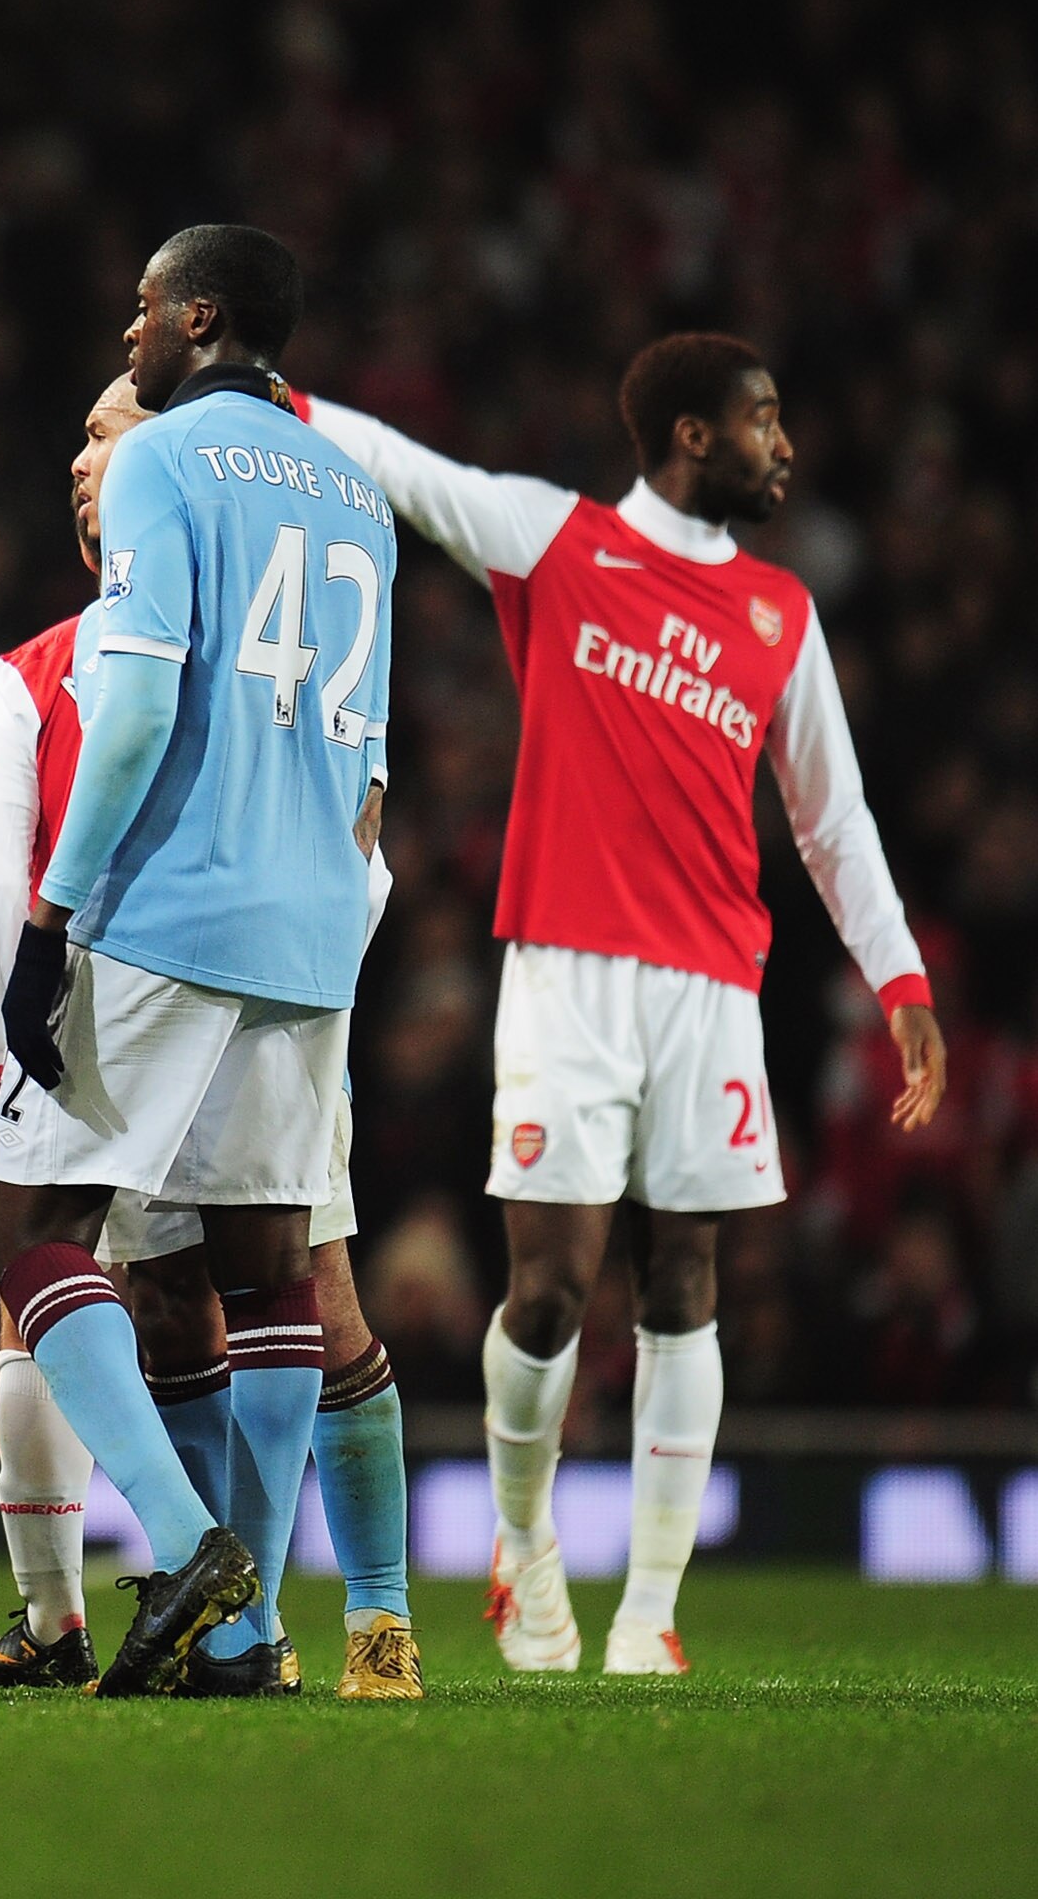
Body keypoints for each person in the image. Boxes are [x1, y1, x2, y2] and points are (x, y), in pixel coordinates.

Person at [309, 337, 943, 1676]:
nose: (785, 444)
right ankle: (524, 1545)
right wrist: (264, 397)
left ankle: (650, 1611)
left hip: (714, 985)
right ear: (692, 436)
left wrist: (902, 981)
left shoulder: (781, 613)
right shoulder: (560, 543)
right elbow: (408, 472)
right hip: (566, 970)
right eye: (764, 420)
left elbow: (834, 823)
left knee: (689, 1281)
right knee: (547, 1288)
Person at [0, 374, 417, 1701]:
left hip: (155, 959)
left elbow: (8, 872)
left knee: (287, 1279)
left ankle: (331, 1601)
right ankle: (241, 1632)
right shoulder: (324, 551)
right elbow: (367, 790)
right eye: (84, 434)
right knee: (200, 1292)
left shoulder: (85, 659)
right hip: (291, 958)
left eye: (108, 429)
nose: (87, 457)